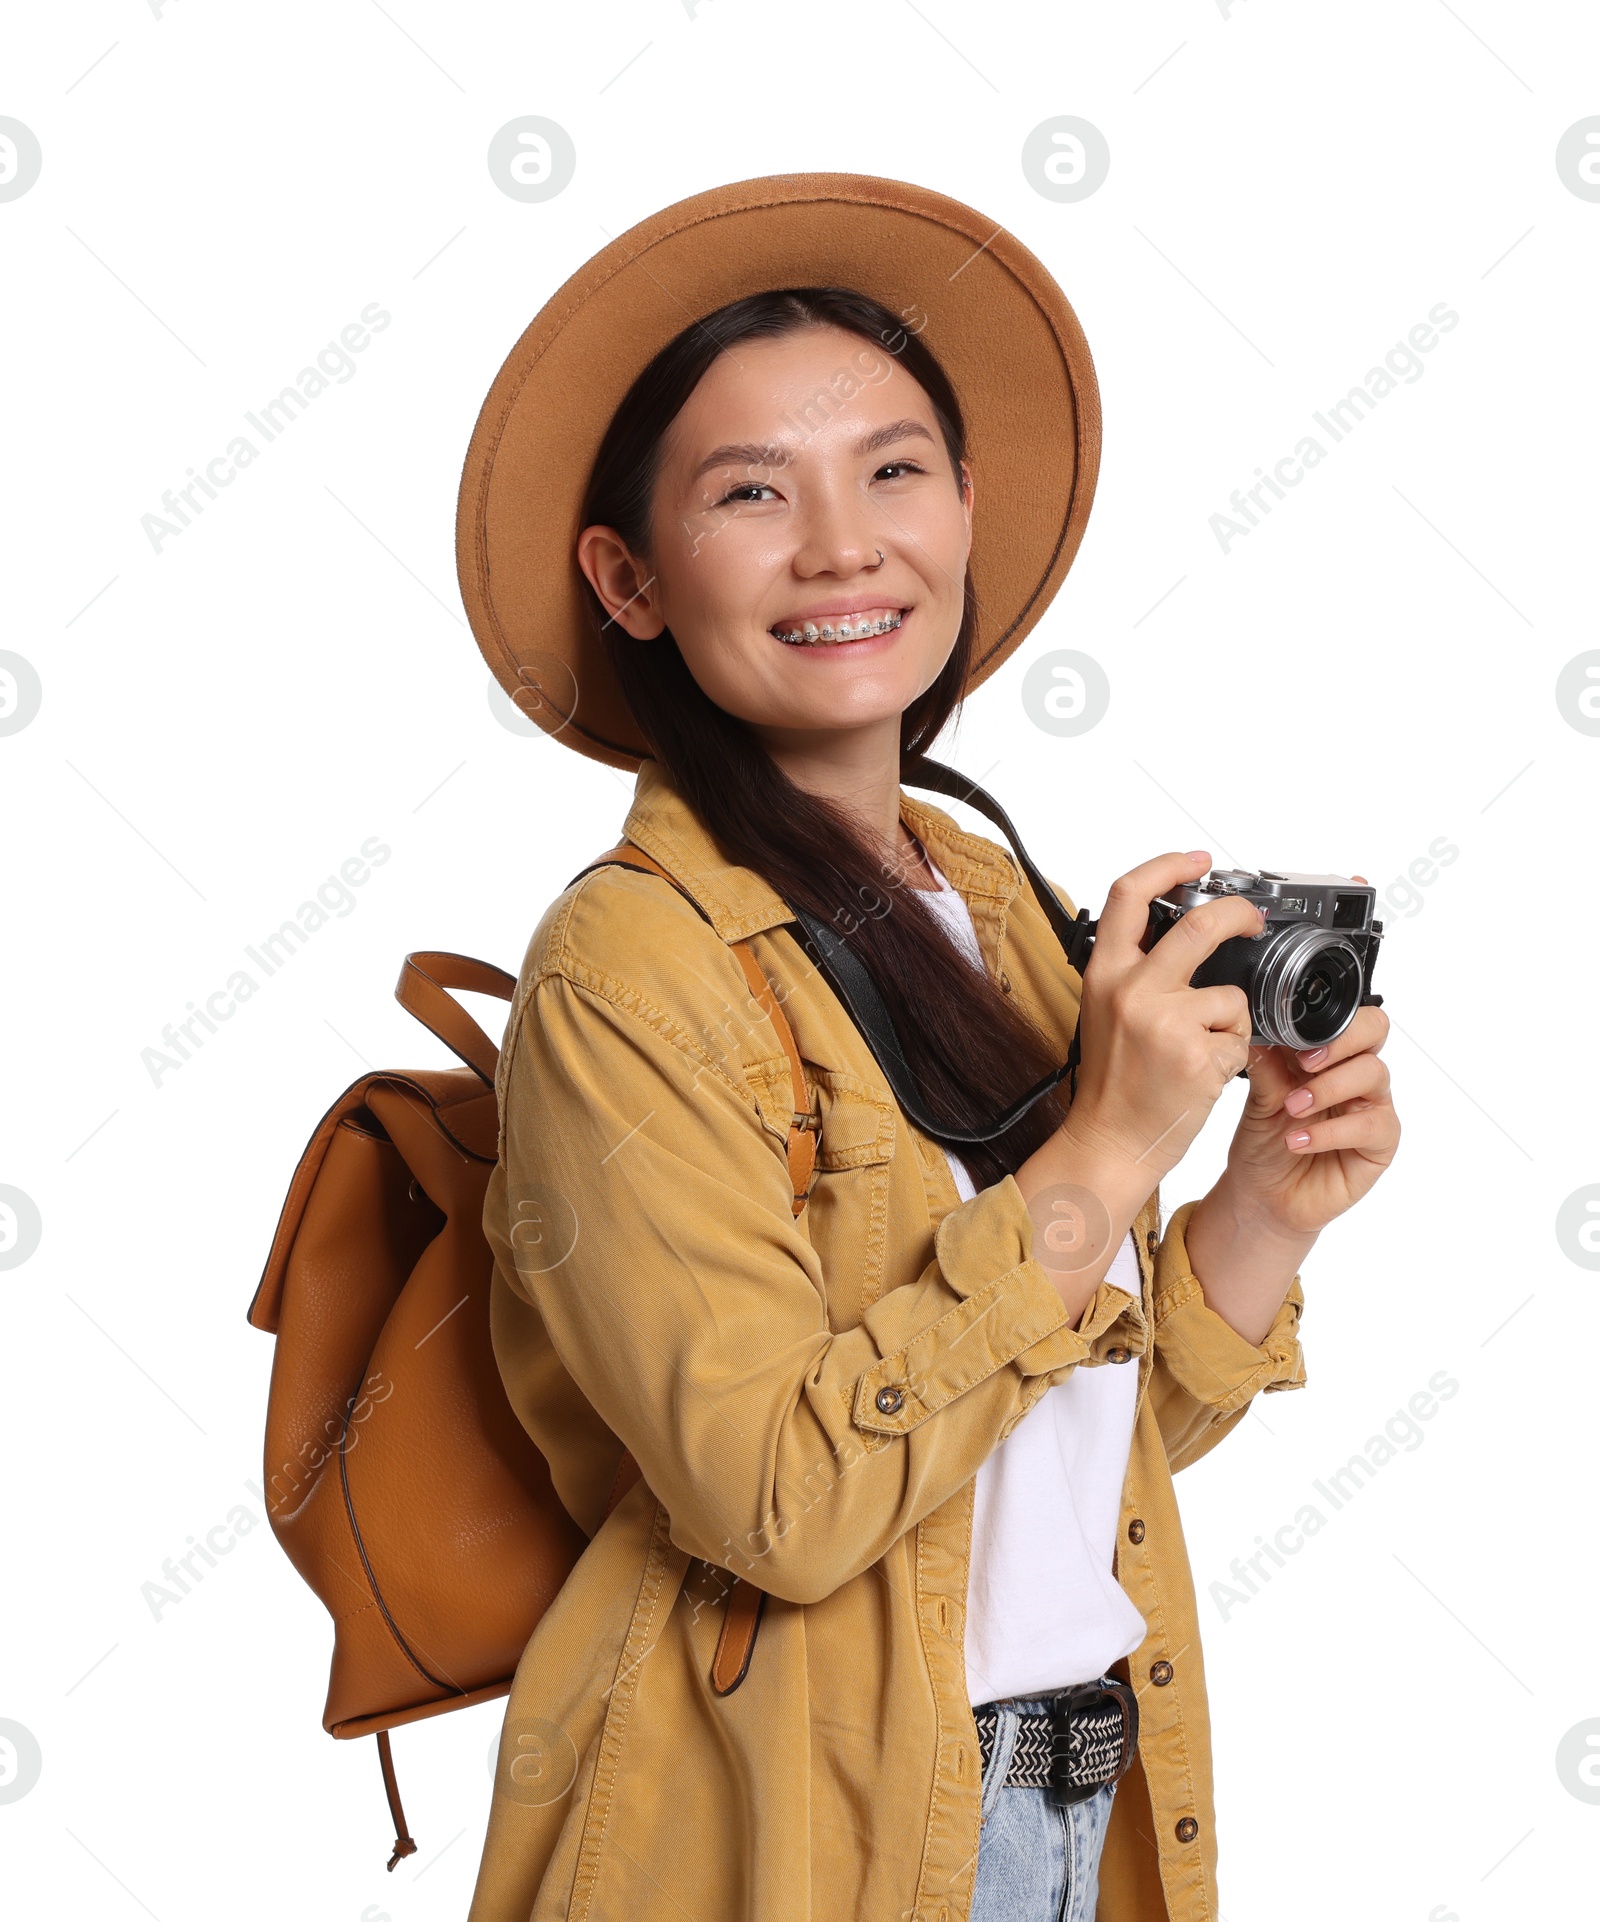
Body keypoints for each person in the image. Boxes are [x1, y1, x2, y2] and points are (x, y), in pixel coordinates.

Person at [457, 175, 1399, 1922]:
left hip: (1085, 1788)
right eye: (752, 493)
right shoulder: (626, 966)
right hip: (788, 1831)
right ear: (631, 577)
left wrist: (1263, 1208)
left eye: (894, 471)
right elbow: (782, 1504)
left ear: (965, 504)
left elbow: (1052, 1439)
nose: (843, 546)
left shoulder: (982, 887)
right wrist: (1103, 1156)